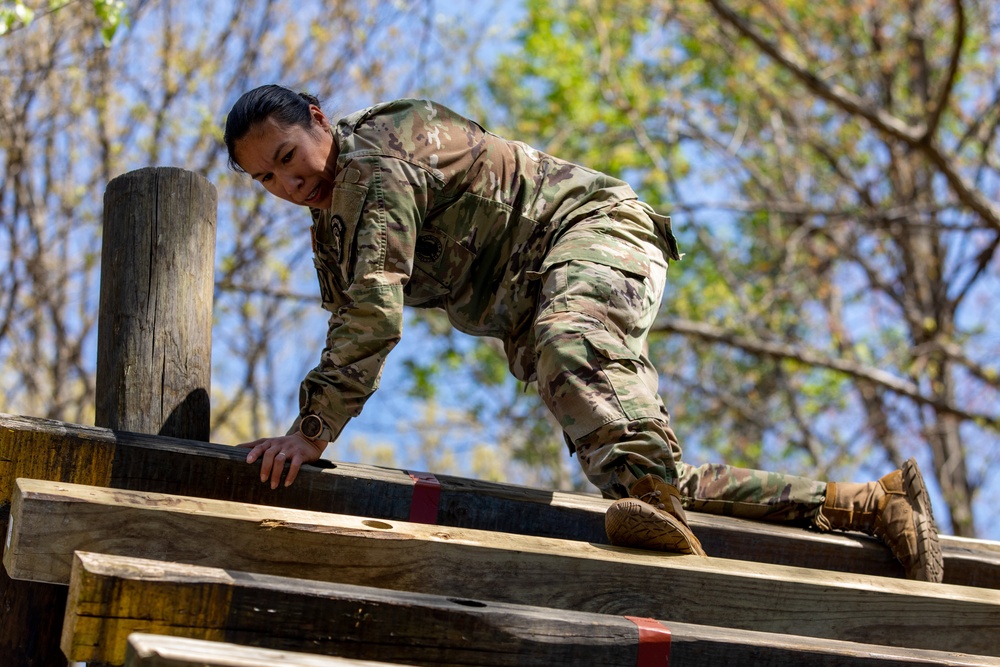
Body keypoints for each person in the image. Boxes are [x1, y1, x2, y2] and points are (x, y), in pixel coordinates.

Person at [224, 84, 944, 582]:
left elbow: (371, 315)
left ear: (319, 119)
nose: (289, 185)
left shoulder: (376, 153)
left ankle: (658, 502)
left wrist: (311, 430)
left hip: (592, 233)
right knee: (648, 481)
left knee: (576, 355)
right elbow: (349, 320)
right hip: (538, 303)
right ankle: (871, 503)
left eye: (287, 157)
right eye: (266, 180)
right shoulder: (332, 234)